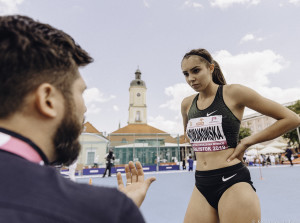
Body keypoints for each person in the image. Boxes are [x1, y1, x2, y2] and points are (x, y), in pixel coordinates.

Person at [0, 15, 155, 222]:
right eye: (80, 93)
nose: (85, 108)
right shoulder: (107, 210)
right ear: (47, 100)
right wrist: (108, 213)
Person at [180, 48, 300, 223]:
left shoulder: (233, 93)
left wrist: (246, 142)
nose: (191, 78)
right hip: (201, 183)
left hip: (232, 182)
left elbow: (291, 118)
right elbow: (187, 135)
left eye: (196, 70)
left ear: (211, 68)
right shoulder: (186, 104)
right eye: (186, 73)